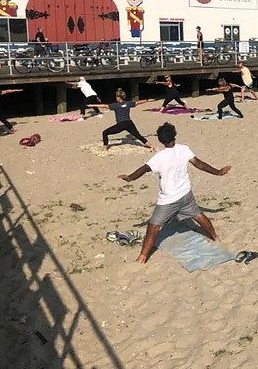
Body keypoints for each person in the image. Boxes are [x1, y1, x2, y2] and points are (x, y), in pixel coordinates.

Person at [118, 122, 231, 264]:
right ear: (174, 135)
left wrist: (130, 178)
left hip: (168, 200)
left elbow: (144, 169)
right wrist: (218, 172)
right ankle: (215, 237)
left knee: (153, 227)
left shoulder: (160, 157)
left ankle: (142, 257)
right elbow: (199, 164)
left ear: (160, 139)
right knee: (198, 215)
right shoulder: (184, 149)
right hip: (186, 195)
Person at [87, 89, 155, 151]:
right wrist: (148, 100)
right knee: (138, 136)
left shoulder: (116, 105)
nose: (116, 98)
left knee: (105, 133)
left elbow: (104, 106)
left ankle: (105, 148)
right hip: (129, 123)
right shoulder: (128, 103)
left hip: (121, 125)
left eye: (116, 97)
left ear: (119, 98)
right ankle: (150, 145)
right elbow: (137, 103)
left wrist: (93, 105)